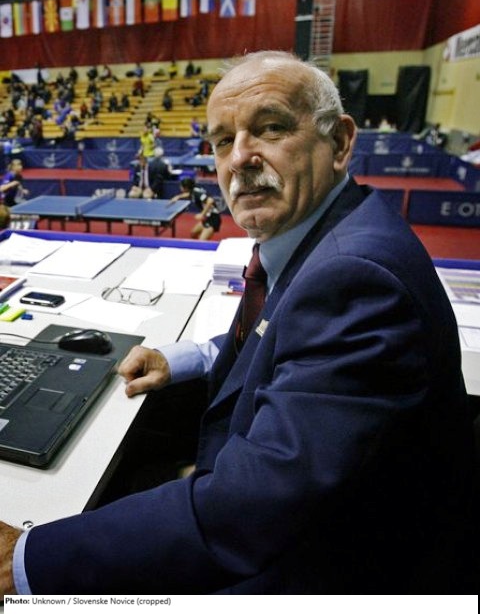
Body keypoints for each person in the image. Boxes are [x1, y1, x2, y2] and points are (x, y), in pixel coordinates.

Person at [0, 50, 477, 595]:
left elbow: (251, 508)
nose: (240, 158)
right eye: (223, 140)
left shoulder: (355, 279)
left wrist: (25, 561)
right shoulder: (326, 233)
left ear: (341, 141)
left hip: (337, 570)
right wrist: (183, 357)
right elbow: (285, 334)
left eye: (270, 128)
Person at [170, 176, 221, 240]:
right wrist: (178, 197)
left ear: (186, 188)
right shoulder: (194, 190)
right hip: (207, 218)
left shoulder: (196, 192)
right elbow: (189, 194)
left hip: (213, 218)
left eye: (181, 186)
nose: (180, 187)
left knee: (201, 242)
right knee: (193, 234)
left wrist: (202, 214)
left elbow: (210, 201)